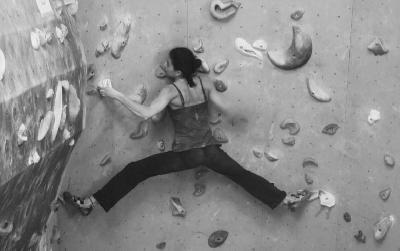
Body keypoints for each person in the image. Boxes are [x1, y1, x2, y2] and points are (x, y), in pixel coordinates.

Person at [63, 47, 310, 216]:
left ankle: (89, 203)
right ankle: (285, 199)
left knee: (136, 170)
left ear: (178, 72)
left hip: (188, 154)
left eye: (168, 63)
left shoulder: (171, 91)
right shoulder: (204, 84)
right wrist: (242, 114)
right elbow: (227, 108)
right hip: (210, 151)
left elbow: (146, 114)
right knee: (242, 175)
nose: (164, 65)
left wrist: (115, 94)